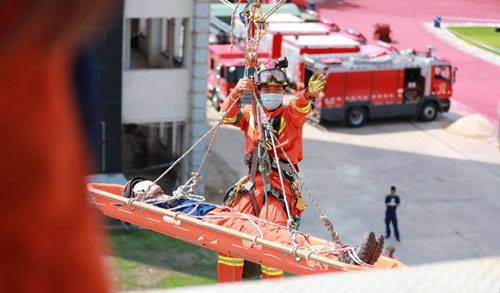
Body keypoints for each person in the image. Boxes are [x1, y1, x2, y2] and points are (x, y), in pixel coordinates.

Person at [216, 58, 326, 282]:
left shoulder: (289, 117)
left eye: (277, 89)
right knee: (229, 233)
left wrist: (308, 94)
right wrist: (236, 92)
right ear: (258, 90)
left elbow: (300, 106)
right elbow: (226, 116)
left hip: (279, 187)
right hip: (252, 184)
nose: (272, 93)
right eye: (267, 89)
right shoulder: (250, 115)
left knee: (272, 240)